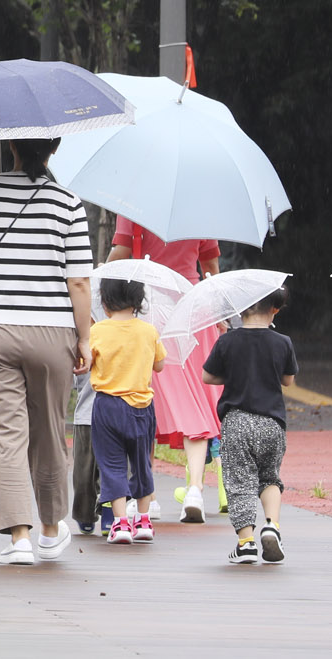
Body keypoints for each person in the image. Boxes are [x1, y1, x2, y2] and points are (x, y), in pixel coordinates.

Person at [0, 137, 94, 566]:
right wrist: (84, 338)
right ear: (54, 148)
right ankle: (51, 530)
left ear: (11, 146)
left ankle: (19, 540)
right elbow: (80, 281)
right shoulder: (68, 202)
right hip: (51, 331)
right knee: (49, 429)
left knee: (7, 436)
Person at [110, 216, 223, 522]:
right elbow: (210, 267)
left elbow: (120, 252)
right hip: (193, 305)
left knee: (144, 398)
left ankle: (146, 495)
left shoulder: (133, 205)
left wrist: (101, 279)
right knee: (194, 402)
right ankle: (196, 489)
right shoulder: (198, 206)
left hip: (148, 306)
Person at [200, 285, 297, 565]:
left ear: (239, 310)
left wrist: (231, 371)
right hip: (272, 423)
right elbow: (288, 380)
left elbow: (208, 377)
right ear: (275, 310)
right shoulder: (283, 342)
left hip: (238, 421)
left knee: (240, 482)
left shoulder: (228, 341)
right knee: (269, 478)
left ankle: (245, 544)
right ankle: (272, 526)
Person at [90, 278, 166, 545]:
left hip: (108, 405)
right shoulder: (149, 331)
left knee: (112, 465)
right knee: (141, 464)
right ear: (138, 301)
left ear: (105, 301)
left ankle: (120, 524)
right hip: (142, 407)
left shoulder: (98, 331)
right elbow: (160, 365)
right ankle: (143, 521)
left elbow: (86, 361)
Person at [70, 373, 103, 534]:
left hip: (87, 414)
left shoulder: (85, 349)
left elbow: (75, 382)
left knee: (84, 470)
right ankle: (109, 515)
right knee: (113, 468)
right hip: (114, 414)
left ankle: (85, 515)